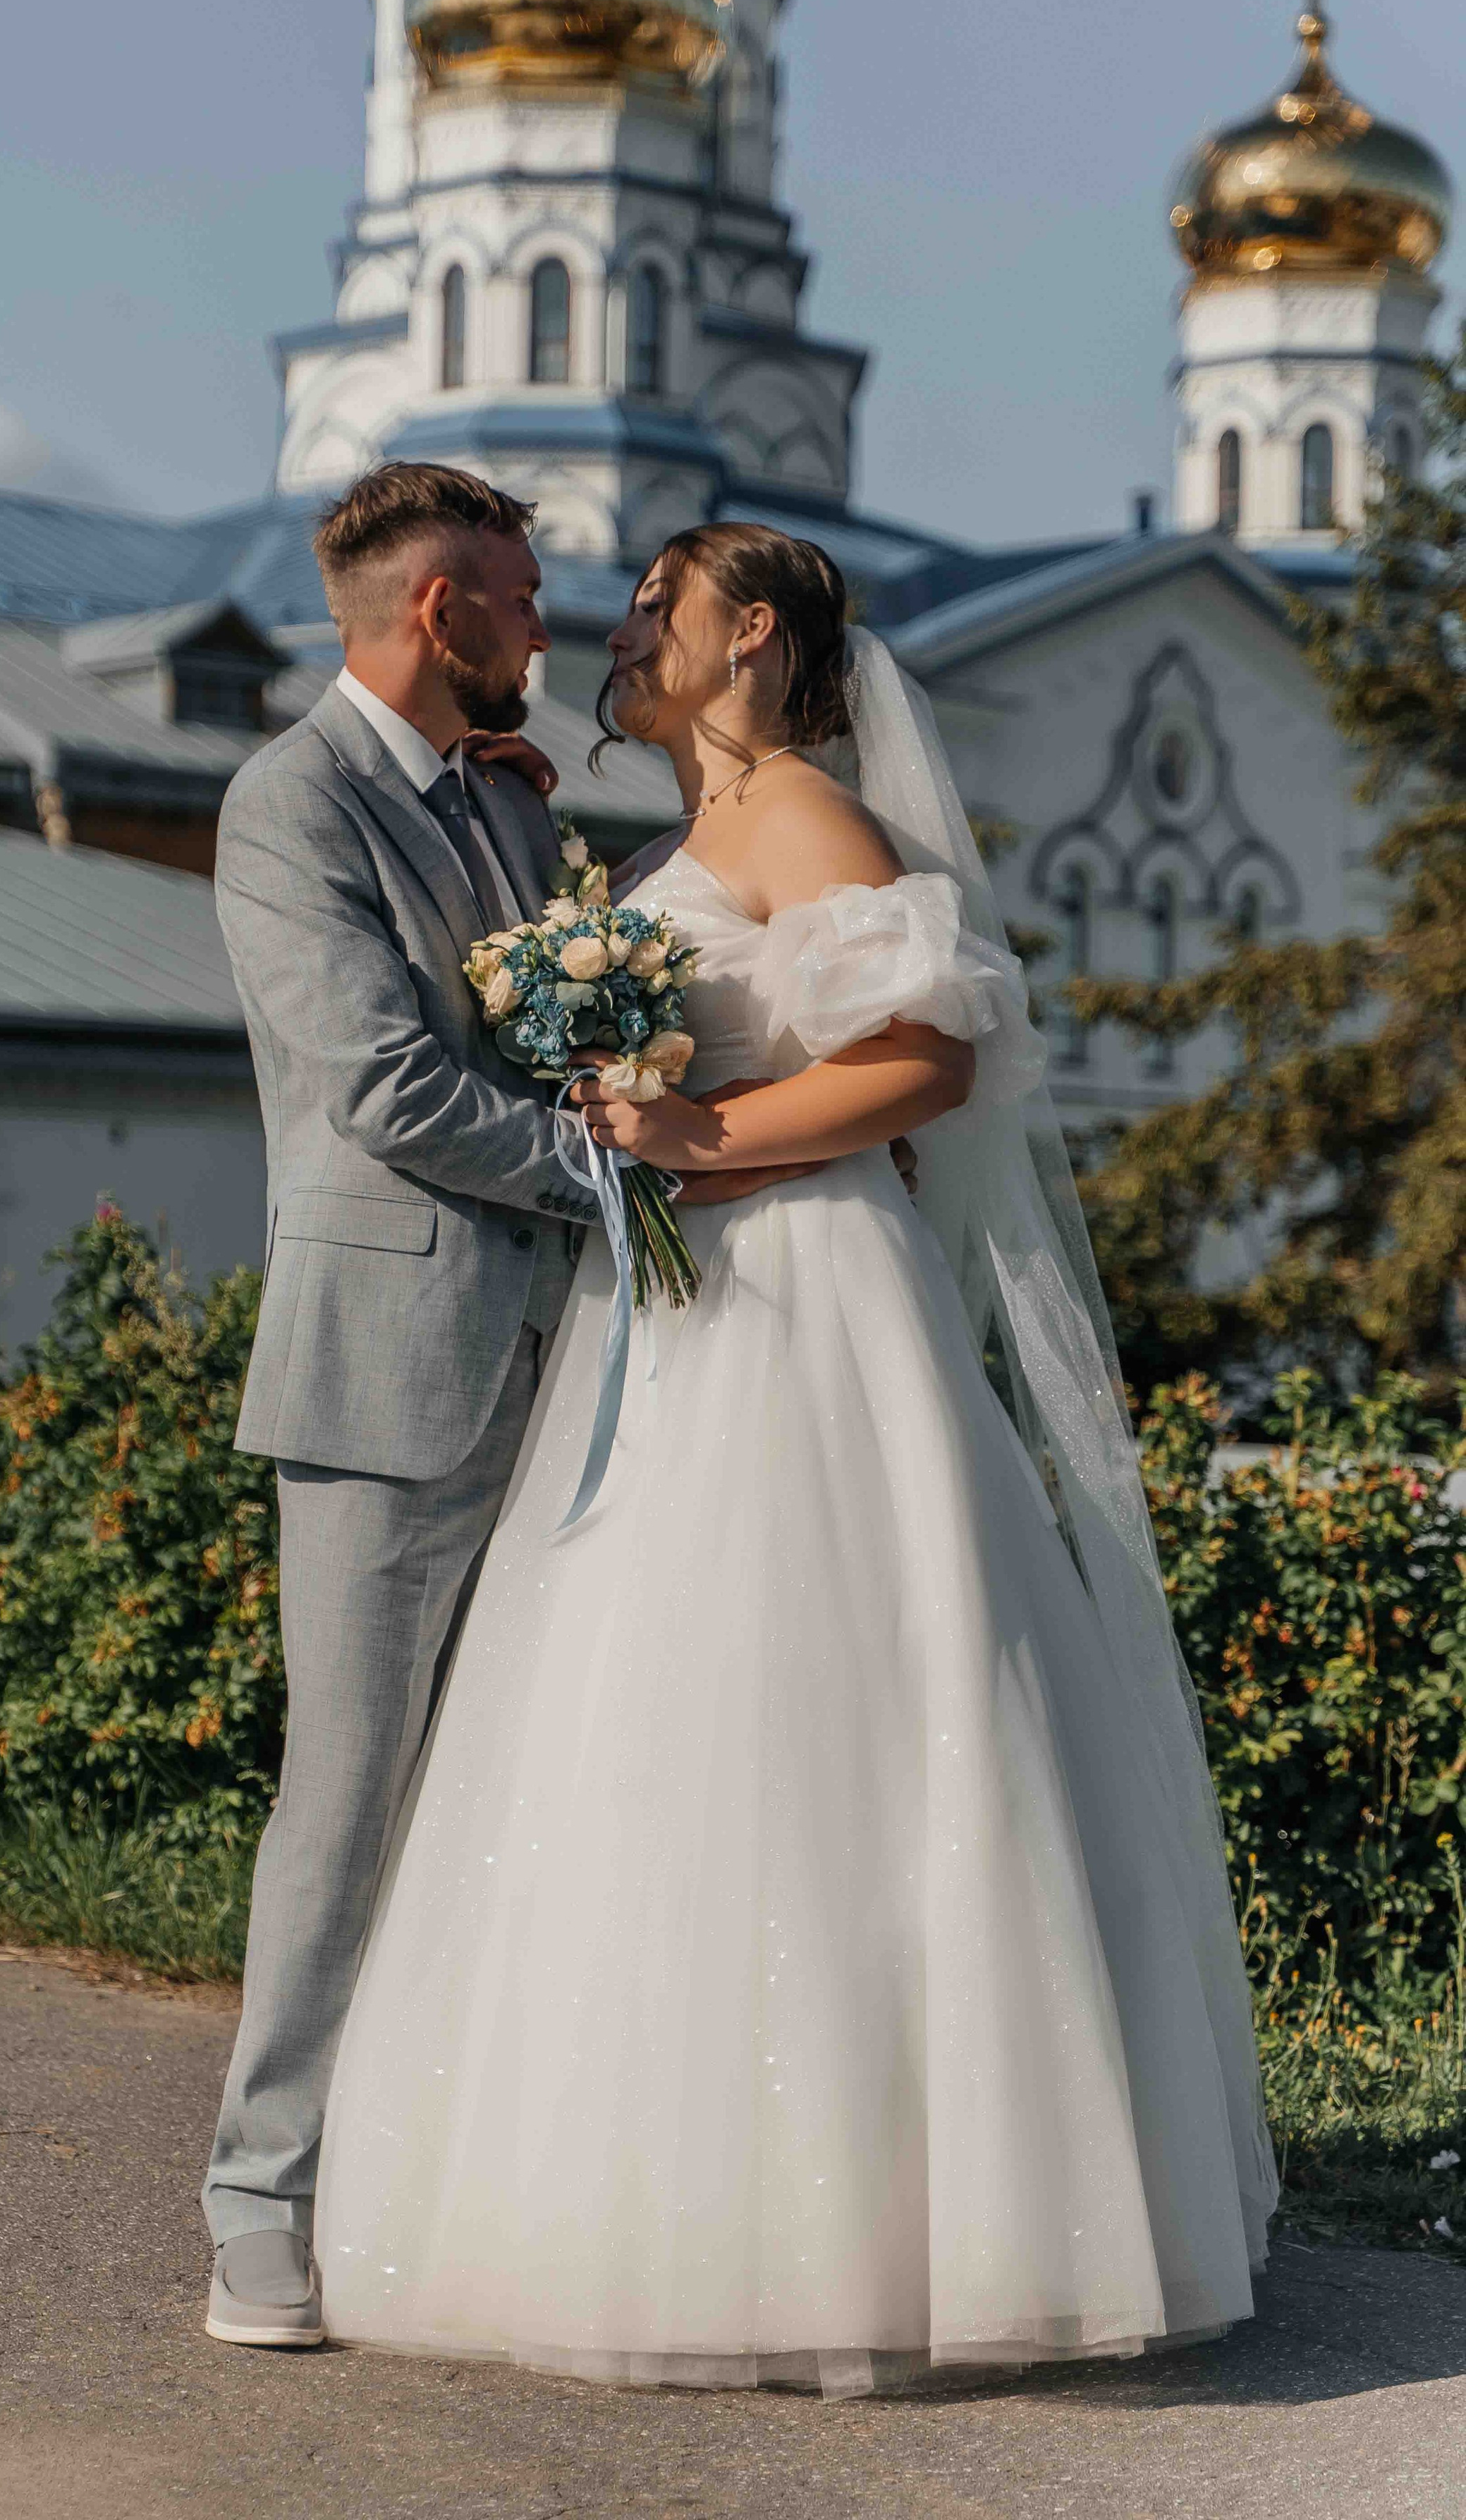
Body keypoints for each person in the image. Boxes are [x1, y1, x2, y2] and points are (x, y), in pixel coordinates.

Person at [310, 520, 1278, 2395]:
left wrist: (702, 1137)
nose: (622, 631)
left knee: (824, 1708)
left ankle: (901, 2226)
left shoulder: (811, 817)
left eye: (655, 605)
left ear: (751, 632)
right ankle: (662, 2205)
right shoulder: (700, 830)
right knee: (656, 1724)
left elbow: (926, 1061)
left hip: (809, 1296)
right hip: (692, 1303)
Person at [201, 467, 821, 2347]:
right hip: (390, 1370)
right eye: (526, 600)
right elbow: (386, 1089)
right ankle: (260, 2203)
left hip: (577, 1363)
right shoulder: (290, 802)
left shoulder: (508, 797)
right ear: (438, 608)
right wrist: (630, 1175)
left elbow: (570, 1024)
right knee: (351, 1796)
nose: (552, 631)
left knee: (519, 1789)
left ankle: (440, 2184)